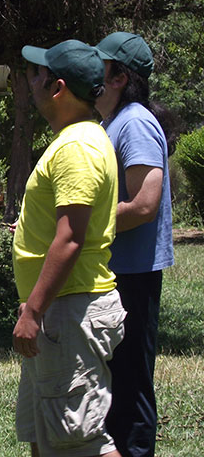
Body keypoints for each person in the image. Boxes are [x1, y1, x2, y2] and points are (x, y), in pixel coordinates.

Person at [13, 39, 126, 457]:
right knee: (46, 436)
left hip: (67, 313)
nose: (31, 80)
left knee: (82, 442)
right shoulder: (79, 138)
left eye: (37, 74)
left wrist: (35, 311)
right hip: (58, 312)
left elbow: (71, 238)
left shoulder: (77, 147)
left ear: (57, 87)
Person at [95, 32, 174, 457]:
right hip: (115, 271)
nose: (92, 74)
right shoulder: (114, 123)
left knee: (130, 388)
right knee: (114, 387)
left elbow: (144, 204)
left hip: (133, 277)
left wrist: (81, 226)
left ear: (119, 76)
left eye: (99, 67)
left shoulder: (137, 122)